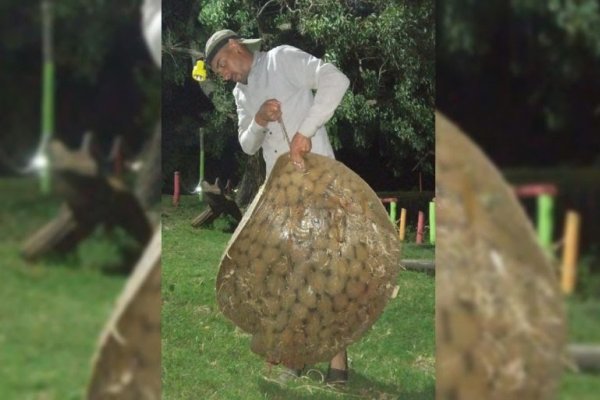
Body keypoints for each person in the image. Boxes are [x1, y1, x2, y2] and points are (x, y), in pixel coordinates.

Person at [204, 29, 350, 383]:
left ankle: (338, 365)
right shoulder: (241, 93)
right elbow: (247, 146)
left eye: (222, 64)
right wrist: (258, 119)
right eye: (218, 71)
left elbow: (336, 79)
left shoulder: (281, 58)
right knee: (289, 273)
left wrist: (306, 131)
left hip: (317, 181)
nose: (224, 74)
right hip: (281, 193)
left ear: (236, 47)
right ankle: (293, 358)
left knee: (325, 269)